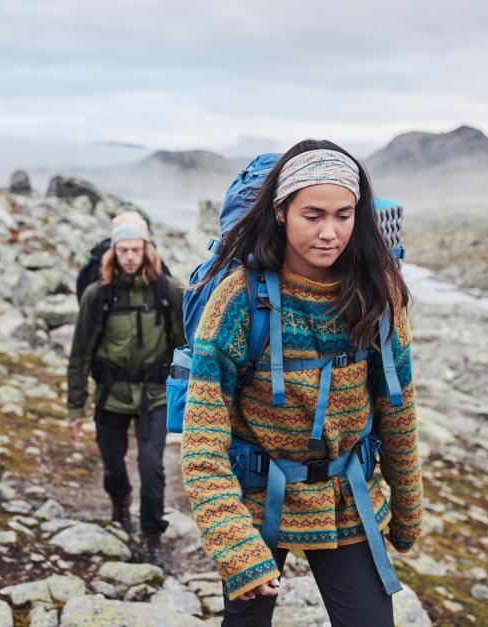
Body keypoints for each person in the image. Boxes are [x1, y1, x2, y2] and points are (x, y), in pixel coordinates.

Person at [181, 140, 422, 626]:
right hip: (256, 496)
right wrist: (234, 543)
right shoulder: (237, 299)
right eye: (313, 215)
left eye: (344, 215)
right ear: (280, 212)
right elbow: (203, 436)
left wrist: (408, 508)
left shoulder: (378, 294)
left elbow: (398, 408)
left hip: (346, 499)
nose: (330, 233)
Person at [67, 211, 184, 567]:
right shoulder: (96, 295)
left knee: (152, 467)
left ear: (147, 251)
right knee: (113, 466)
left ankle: (151, 536)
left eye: (136, 250)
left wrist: (192, 399)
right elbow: (80, 354)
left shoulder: (169, 291)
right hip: (110, 396)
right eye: (123, 251)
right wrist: (75, 409)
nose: (130, 257)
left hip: (155, 395)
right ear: (113, 253)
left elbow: (185, 350)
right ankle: (120, 505)